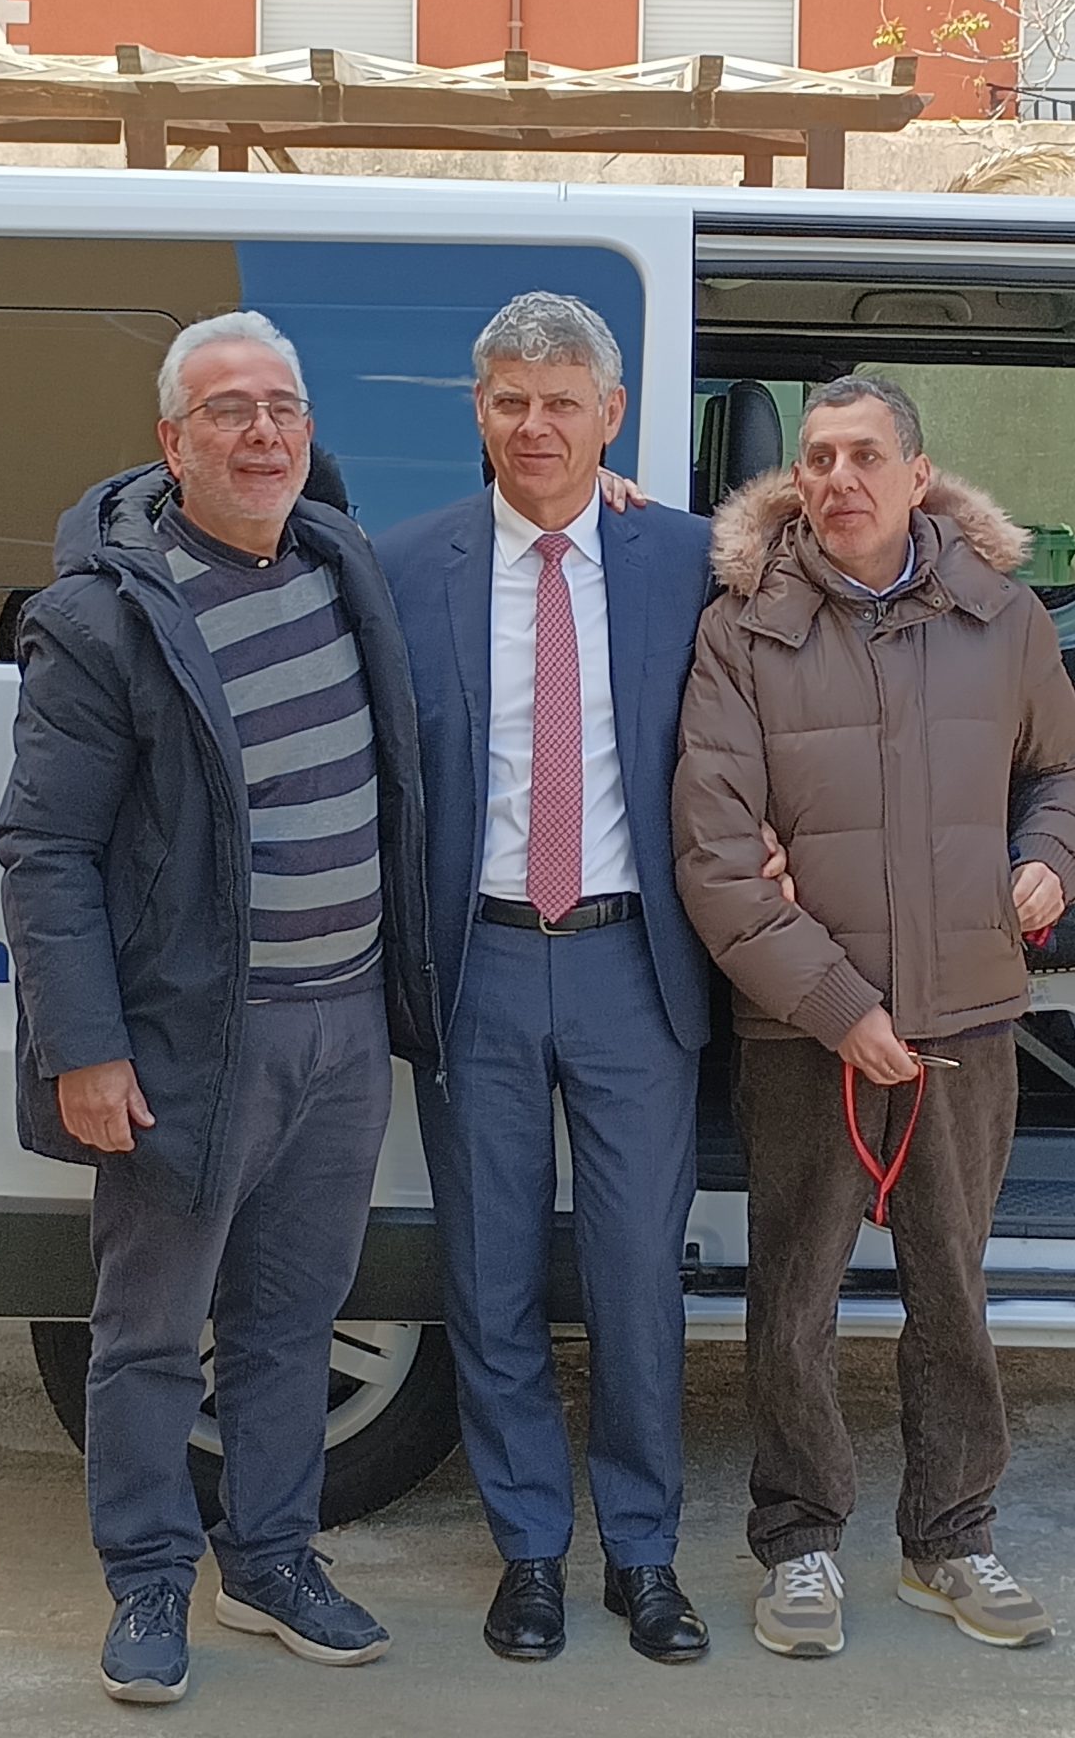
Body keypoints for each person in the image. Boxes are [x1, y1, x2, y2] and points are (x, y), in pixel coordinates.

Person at [0, 311, 439, 1705]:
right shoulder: (104, 619)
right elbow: (44, 849)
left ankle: (272, 1561)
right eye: (229, 410)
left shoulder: (339, 561)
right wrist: (85, 1049)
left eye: (283, 407)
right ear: (171, 442)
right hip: (197, 1042)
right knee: (147, 1334)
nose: (262, 433)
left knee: (292, 1320)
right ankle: (146, 1582)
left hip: (344, 1030)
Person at [672, 372, 1075, 1660]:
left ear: (919, 477)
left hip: (966, 1016)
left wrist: (1054, 859)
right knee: (794, 1295)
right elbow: (716, 858)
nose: (839, 479)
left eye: (866, 456)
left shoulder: (1004, 618)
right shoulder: (741, 632)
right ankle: (800, 1543)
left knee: (951, 1290)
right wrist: (838, 1006)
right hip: (804, 1029)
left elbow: (1070, 768)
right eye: (818, 458)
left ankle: (952, 1540)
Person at [374, 292, 717, 1666]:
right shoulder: (408, 564)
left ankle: (643, 1555)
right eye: (511, 400)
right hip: (482, 969)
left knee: (637, 1279)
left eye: (563, 402)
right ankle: (528, 1551)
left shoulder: (684, 557)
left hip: (637, 968)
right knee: (490, 1275)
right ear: (479, 410)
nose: (535, 426)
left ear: (611, 416)